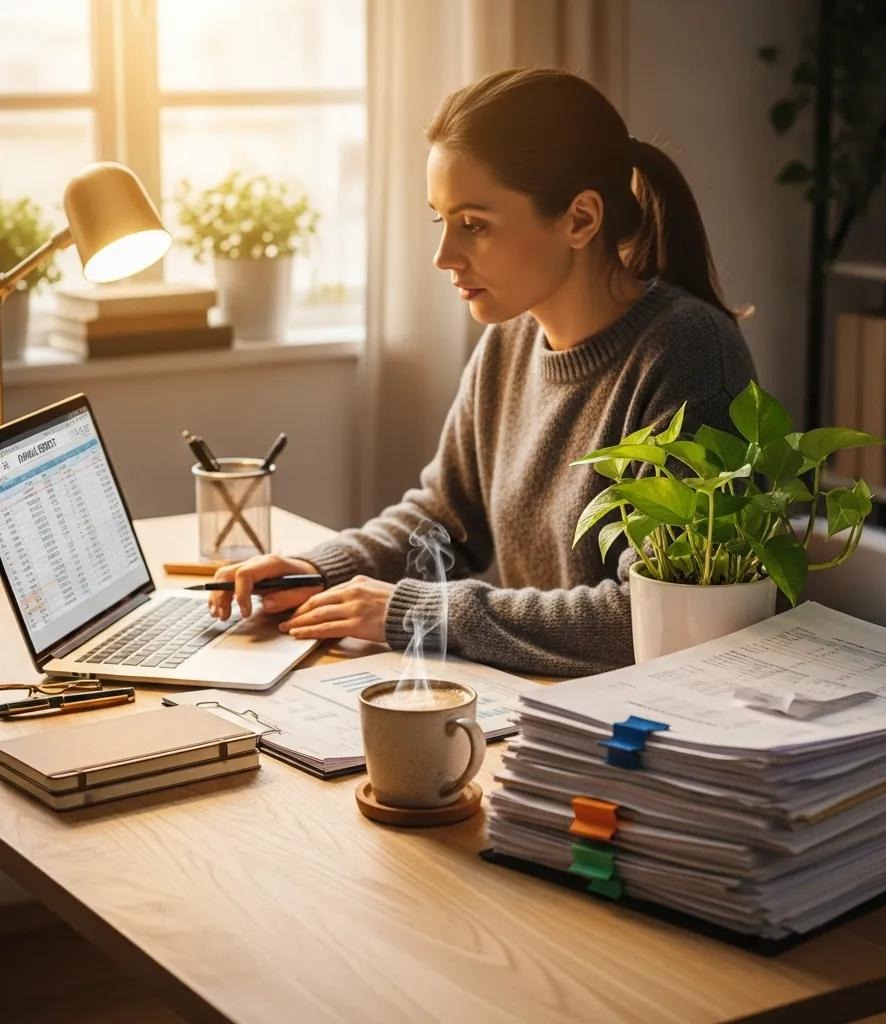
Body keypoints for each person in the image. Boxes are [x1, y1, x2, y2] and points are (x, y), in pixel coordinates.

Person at [208, 67, 756, 676]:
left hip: (639, 715)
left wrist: (421, 612)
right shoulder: (510, 338)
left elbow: (650, 617)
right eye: (440, 220)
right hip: (541, 698)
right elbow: (447, 517)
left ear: (580, 219)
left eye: (474, 224)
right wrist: (319, 569)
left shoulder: (689, 354)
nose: (444, 256)